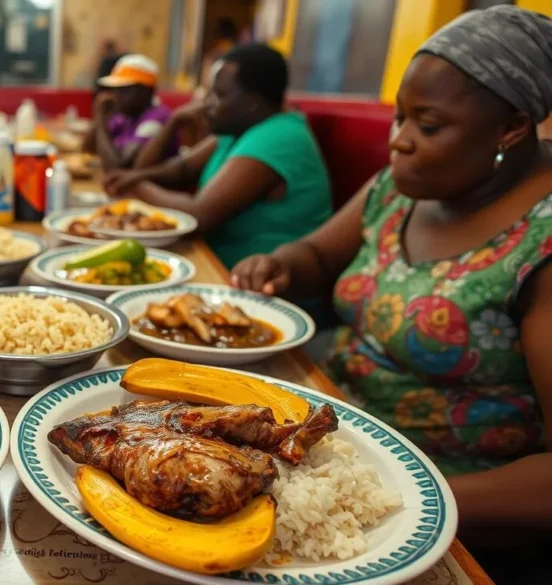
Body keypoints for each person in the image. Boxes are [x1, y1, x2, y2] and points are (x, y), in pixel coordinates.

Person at [231, 9, 552, 579]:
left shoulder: (540, 242)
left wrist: (410, 500)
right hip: (327, 439)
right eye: (399, 117)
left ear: (512, 127)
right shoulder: (402, 188)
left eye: (427, 125)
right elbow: (316, 257)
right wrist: (279, 264)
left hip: (436, 508)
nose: (398, 141)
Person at [104, 44, 332, 270]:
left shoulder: (279, 136)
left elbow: (198, 216)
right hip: (213, 264)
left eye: (219, 95)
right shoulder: (240, 127)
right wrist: (171, 125)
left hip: (257, 287)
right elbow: (181, 169)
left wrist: (135, 183)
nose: (207, 104)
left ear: (252, 102)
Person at [87, 54, 176, 170]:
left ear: (147, 92)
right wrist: (100, 118)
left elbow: (118, 168)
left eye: (124, 90)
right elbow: (88, 149)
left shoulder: (156, 120)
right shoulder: (127, 115)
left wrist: (100, 118)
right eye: (116, 89)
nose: (116, 96)